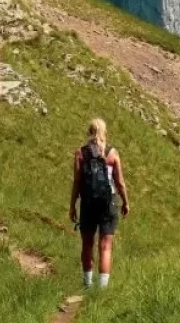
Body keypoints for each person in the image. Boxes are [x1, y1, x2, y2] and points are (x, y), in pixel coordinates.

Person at [70, 118, 130, 289]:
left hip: (88, 202)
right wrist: (125, 202)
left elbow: (77, 182)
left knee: (87, 244)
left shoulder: (80, 153)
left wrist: (72, 205)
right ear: (105, 133)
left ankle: (87, 285)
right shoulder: (112, 153)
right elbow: (120, 182)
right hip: (108, 202)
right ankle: (102, 290)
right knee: (105, 246)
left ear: (89, 132)